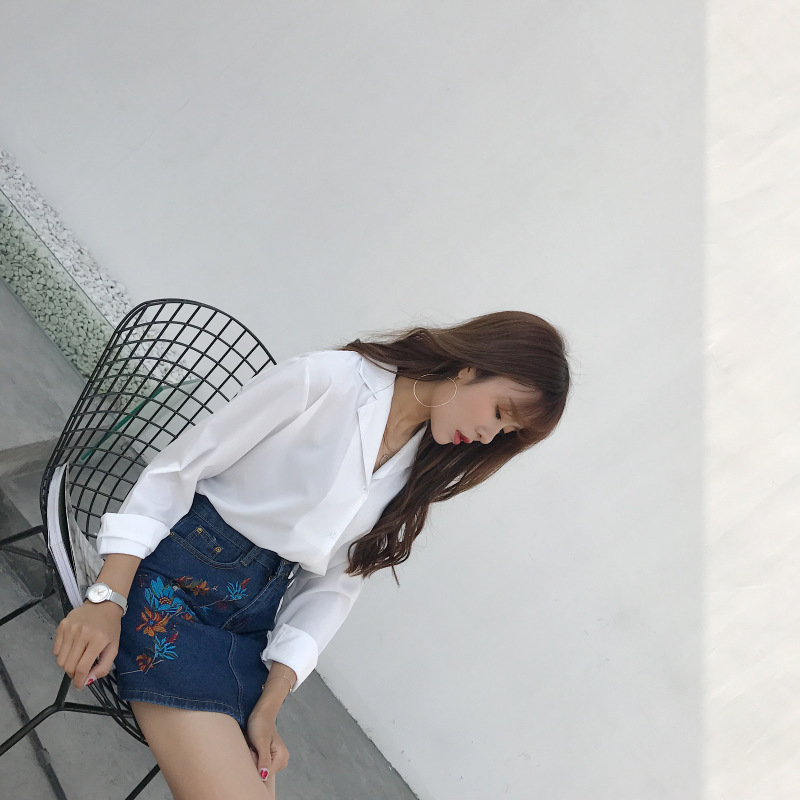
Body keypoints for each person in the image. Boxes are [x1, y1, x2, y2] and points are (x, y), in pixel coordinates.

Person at [52, 310, 570, 800]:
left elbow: (335, 582)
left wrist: (271, 702)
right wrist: (108, 597)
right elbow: (177, 471)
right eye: (499, 412)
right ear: (471, 367)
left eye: (505, 433)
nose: (488, 435)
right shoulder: (326, 380)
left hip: (248, 625)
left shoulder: (420, 463)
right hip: (171, 585)